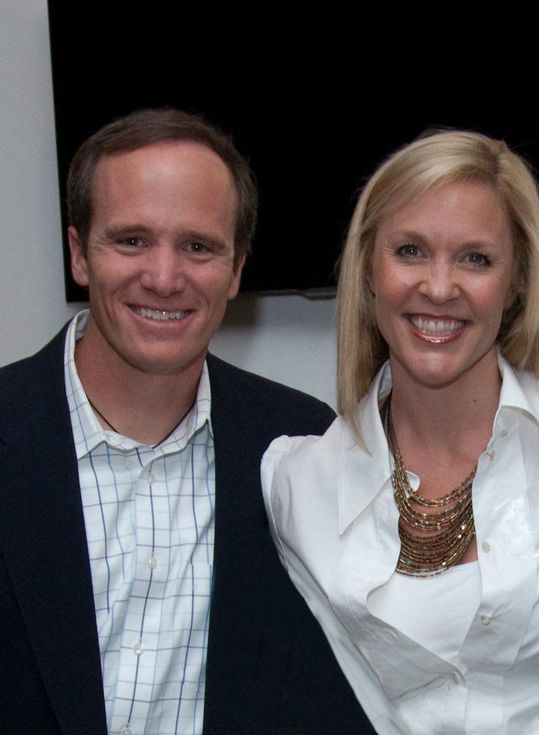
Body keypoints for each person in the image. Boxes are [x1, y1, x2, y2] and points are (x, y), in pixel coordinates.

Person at [261, 129, 539, 734]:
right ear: (368, 268)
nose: (440, 287)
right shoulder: (293, 483)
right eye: (410, 251)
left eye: (476, 258)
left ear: (517, 279)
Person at [0, 109, 373, 734]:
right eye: (132, 241)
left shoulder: (304, 448)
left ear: (236, 271)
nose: (164, 278)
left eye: (198, 247)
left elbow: (361, 677)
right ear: (79, 253)